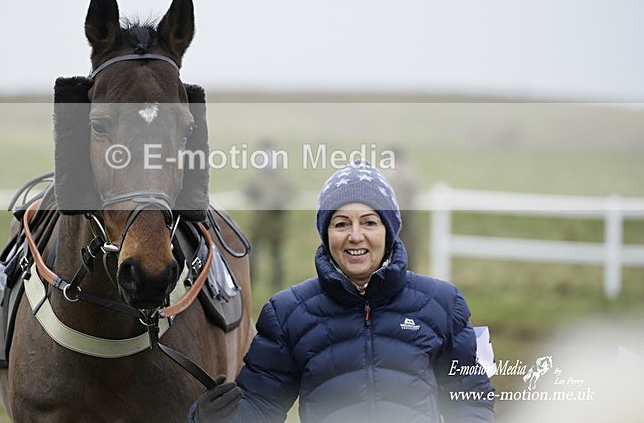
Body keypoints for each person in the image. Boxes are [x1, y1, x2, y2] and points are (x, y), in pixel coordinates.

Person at [191, 160, 495, 422]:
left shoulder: (442, 304)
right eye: (341, 224)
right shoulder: (288, 314)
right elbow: (260, 406)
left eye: (370, 222)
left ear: (388, 230)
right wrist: (210, 418)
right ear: (326, 234)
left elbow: (470, 398)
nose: (355, 236)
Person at [244, 139, 295, 293]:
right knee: (253, 256)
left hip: (275, 225)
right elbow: (247, 192)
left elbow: (291, 193)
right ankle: (250, 284)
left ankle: (276, 286)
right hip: (259, 224)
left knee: (276, 257)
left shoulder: (280, 178)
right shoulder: (257, 178)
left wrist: (279, 202)